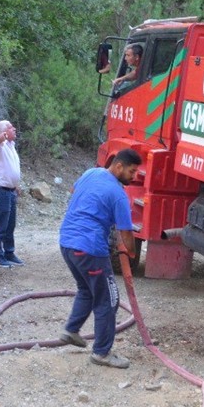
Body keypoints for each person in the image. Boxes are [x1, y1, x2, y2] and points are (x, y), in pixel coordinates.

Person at [57, 147, 143, 369]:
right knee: (109, 300)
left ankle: (71, 330)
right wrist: (132, 253)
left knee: (87, 289)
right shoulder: (118, 194)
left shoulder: (90, 173)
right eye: (132, 172)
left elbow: (74, 189)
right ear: (118, 165)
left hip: (67, 242)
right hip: (90, 249)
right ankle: (102, 352)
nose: (134, 177)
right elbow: (126, 233)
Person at [0, 119, 24, 268]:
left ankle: (9, 253)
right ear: (4, 132)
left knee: (10, 225)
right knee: (0, 226)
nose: (14, 129)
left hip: (9, 191)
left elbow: (9, 168)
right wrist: (2, 137)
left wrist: (15, 186)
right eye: (10, 127)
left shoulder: (11, 146)